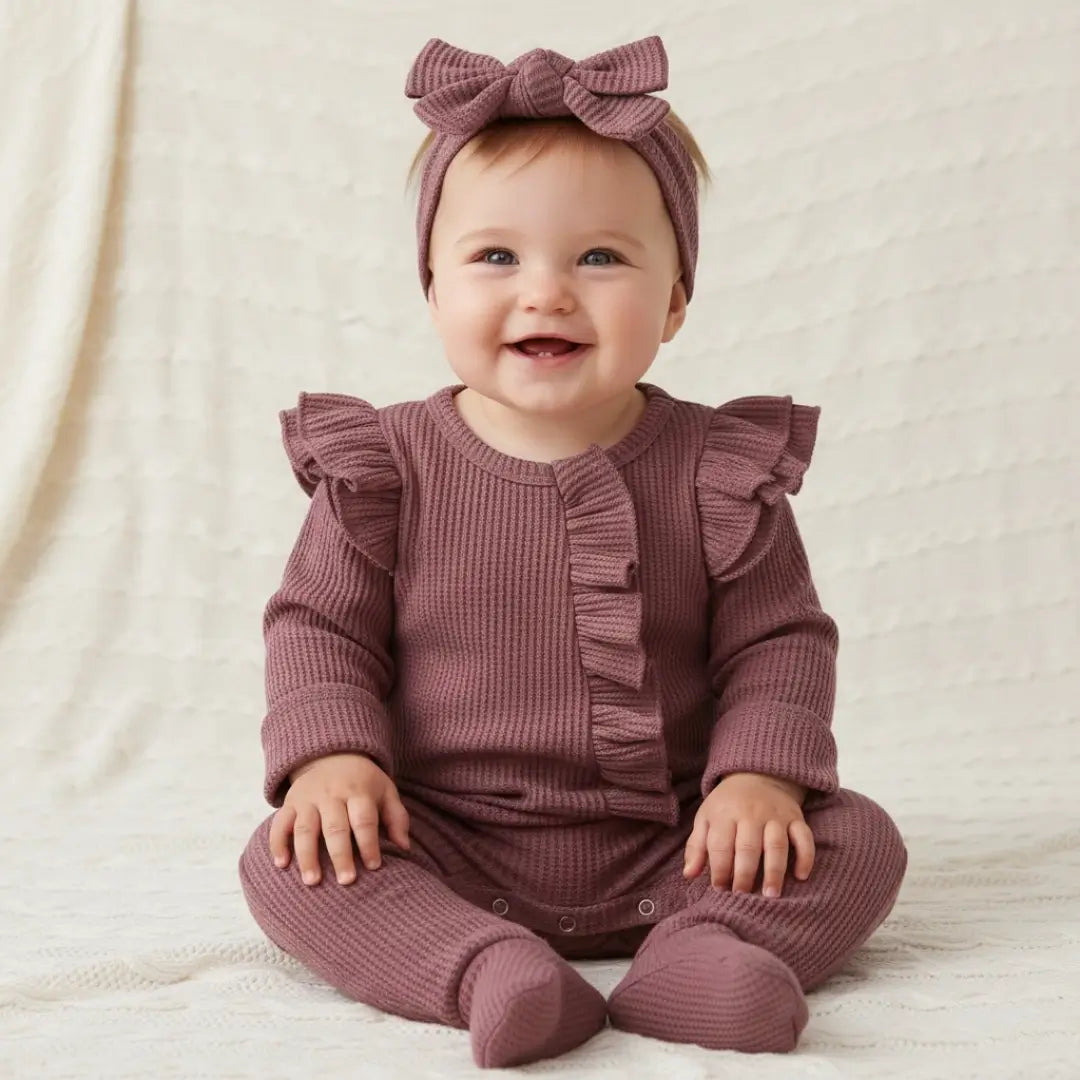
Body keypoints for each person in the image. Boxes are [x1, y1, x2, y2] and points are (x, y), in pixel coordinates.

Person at [237, 34, 908, 1069]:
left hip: (681, 838)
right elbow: (321, 631)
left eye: (600, 257)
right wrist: (333, 760)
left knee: (858, 838)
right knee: (288, 859)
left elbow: (778, 642)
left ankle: (702, 955)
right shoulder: (385, 470)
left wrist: (759, 782)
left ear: (675, 300)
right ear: (433, 288)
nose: (546, 292)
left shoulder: (716, 470)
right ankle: (485, 969)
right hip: (442, 838)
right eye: (495, 257)